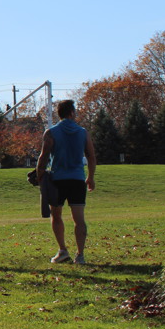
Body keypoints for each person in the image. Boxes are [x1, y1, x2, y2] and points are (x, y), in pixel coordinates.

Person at [35, 100, 96, 264]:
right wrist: (90, 177)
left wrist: (40, 175)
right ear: (72, 112)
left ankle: (62, 250)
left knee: (56, 215)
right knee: (79, 219)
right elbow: (91, 156)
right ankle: (80, 255)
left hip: (57, 180)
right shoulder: (83, 132)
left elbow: (43, 156)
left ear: (59, 114)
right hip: (77, 180)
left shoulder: (51, 132)